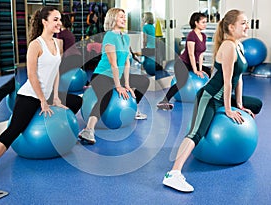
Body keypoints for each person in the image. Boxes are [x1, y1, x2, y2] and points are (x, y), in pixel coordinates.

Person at [162, 9, 263, 192]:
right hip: (210, 97)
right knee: (196, 133)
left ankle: (232, 115)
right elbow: (226, 82)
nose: (247, 26)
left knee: (255, 104)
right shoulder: (228, 47)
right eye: (243, 23)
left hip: (223, 96)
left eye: (247, 22)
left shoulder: (238, 45)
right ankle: (173, 173)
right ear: (231, 27)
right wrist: (228, 109)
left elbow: (238, 78)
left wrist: (239, 105)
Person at [0, 6, 67, 184]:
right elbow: (32, 75)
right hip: (30, 95)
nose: (59, 23)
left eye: (59, 19)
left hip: (47, 95)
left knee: (75, 101)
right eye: (55, 19)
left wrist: (55, 97)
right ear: (44, 22)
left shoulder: (59, 43)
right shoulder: (35, 45)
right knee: (14, 129)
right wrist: (42, 100)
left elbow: (57, 71)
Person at [78, 8, 150, 145]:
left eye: (124, 17)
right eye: (121, 17)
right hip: (103, 75)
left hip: (119, 74)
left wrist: (127, 85)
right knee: (106, 95)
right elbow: (113, 64)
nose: (124, 19)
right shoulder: (110, 36)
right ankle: (88, 130)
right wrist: (118, 86)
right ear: (113, 19)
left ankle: (133, 110)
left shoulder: (125, 37)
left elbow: (127, 63)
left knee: (144, 81)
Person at [157, 12, 211, 110]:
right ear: (196, 23)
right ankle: (164, 101)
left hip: (192, 63)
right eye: (203, 22)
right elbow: (191, 54)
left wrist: (200, 69)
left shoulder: (203, 36)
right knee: (182, 81)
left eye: (205, 22)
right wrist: (195, 71)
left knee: (209, 71)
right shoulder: (191, 35)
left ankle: (209, 97)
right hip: (182, 63)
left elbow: (201, 54)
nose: (205, 24)